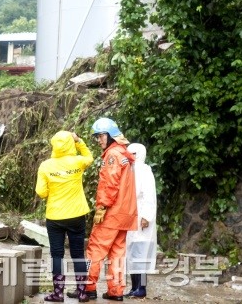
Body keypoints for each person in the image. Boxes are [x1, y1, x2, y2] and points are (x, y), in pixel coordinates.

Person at [68, 117, 137, 301]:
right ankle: (116, 291)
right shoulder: (123, 154)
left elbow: (109, 184)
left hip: (112, 212)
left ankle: (87, 288)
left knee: (95, 250)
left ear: (110, 135)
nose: (98, 140)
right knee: (117, 253)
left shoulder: (112, 155)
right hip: (125, 214)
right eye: (97, 137)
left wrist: (102, 207)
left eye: (100, 136)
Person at [36, 130, 94, 302]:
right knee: (78, 254)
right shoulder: (78, 162)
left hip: (55, 216)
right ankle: (82, 292)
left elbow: (41, 192)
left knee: (57, 255)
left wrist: (50, 191)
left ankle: (58, 293)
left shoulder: (46, 166)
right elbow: (89, 157)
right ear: (70, 143)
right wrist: (79, 141)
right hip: (77, 215)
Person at [125, 143, 157, 298]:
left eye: (133, 153)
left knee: (141, 253)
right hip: (131, 215)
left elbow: (149, 195)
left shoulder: (144, 171)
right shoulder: (130, 170)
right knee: (131, 252)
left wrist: (147, 216)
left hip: (141, 216)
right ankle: (134, 287)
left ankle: (142, 288)